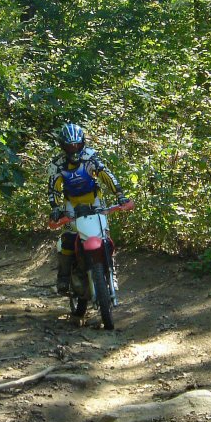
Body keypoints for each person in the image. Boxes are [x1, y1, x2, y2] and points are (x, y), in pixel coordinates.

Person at [47, 123, 130, 294]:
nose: (74, 148)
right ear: (63, 146)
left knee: (104, 237)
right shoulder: (57, 164)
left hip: (95, 201)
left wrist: (119, 194)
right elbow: (53, 188)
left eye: (77, 144)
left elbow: (105, 174)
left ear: (82, 143)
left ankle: (111, 271)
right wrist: (55, 207)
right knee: (69, 237)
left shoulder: (90, 157)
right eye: (70, 145)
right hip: (72, 204)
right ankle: (63, 277)